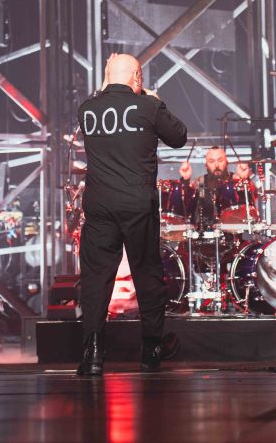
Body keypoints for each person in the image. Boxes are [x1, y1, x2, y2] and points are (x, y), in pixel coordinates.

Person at [76, 54, 188, 376]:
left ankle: (93, 354)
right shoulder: (148, 107)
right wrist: (156, 101)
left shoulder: (87, 110)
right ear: (137, 78)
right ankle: (151, 350)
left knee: (96, 278)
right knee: (146, 272)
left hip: (99, 204)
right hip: (137, 203)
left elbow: (103, 95)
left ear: (106, 77)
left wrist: (108, 82)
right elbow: (179, 136)